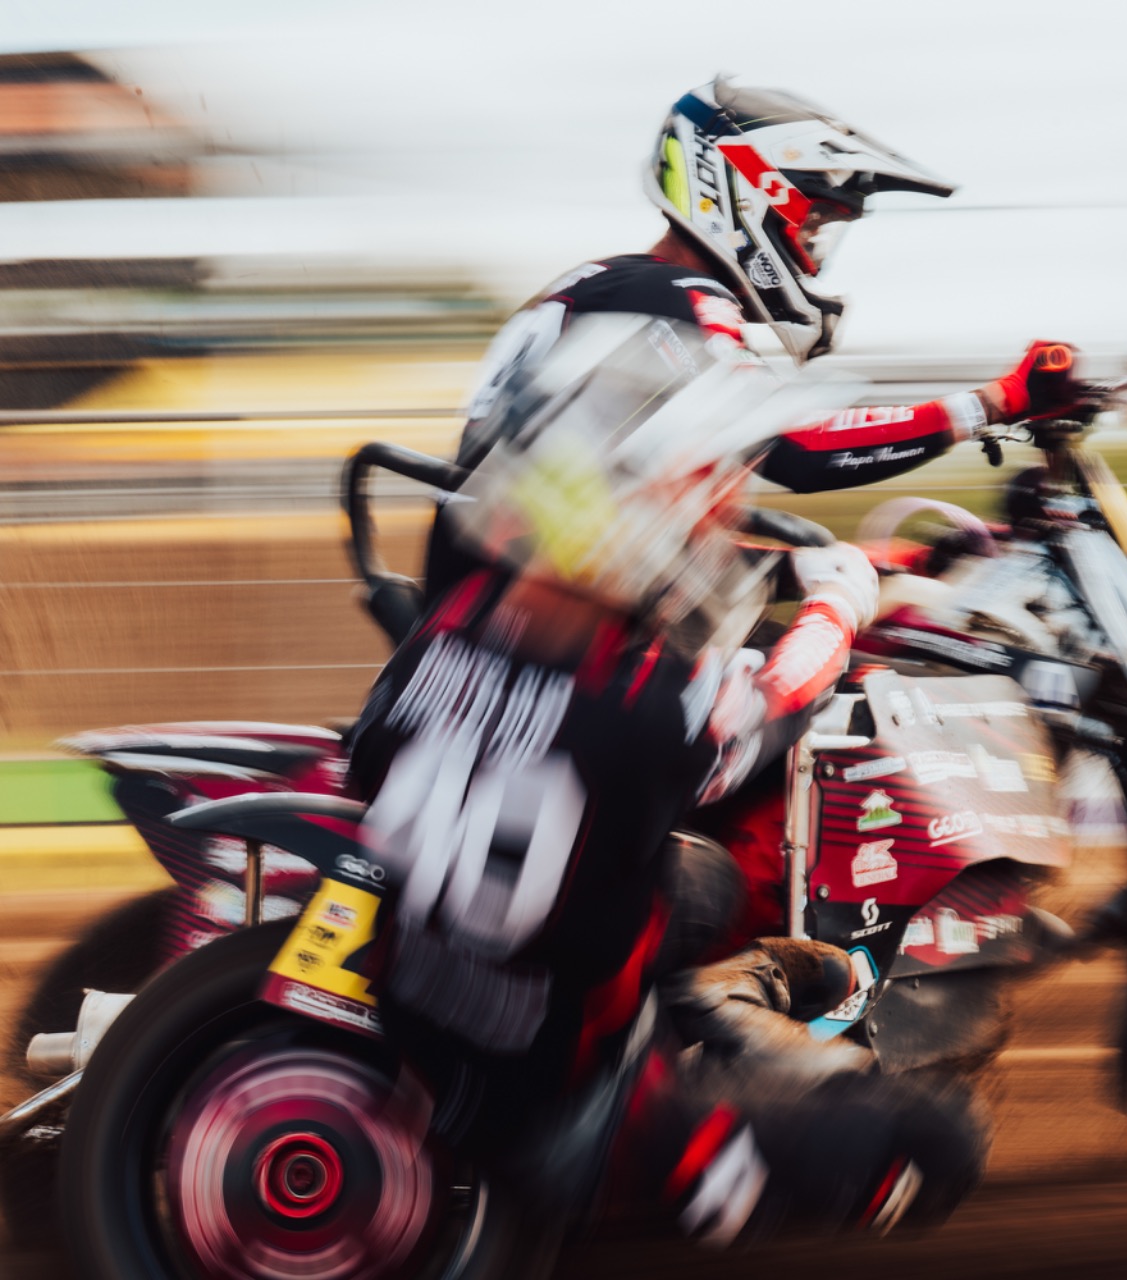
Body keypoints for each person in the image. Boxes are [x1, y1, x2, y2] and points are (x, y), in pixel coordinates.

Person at [350, 320, 986, 1247]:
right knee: (940, 1143)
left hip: (421, 1020)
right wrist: (840, 601)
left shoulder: (442, 634)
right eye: (701, 504)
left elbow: (374, 758)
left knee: (702, 877)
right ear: (630, 526)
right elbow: (782, 696)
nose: (715, 524)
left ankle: (687, 1007)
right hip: (565, 1114)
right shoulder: (644, 711)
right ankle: (668, 1108)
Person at [427, 78, 1083, 596]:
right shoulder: (676, 295)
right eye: (813, 223)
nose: (812, 260)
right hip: (522, 637)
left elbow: (661, 560)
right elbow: (799, 449)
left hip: (509, 611)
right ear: (748, 195)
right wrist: (998, 400)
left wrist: (896, 563)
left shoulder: (623, 289)